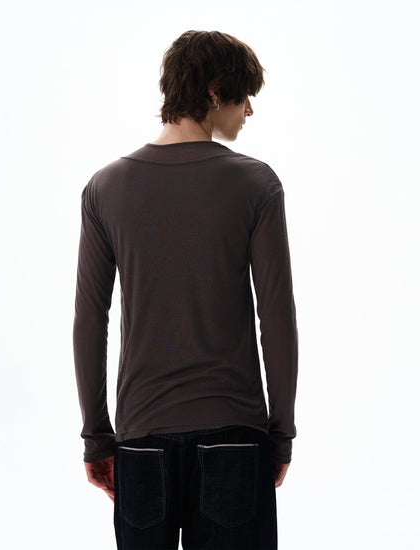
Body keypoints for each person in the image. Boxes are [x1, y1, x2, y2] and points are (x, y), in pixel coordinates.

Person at [72, 29, 299, 550]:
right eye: (245, 97)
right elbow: (276, 318)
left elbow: (90, 320)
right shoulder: (255, 184)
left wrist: (97, 438)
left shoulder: (105, 188)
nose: (249, 111)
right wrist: (280, 434)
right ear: (216, 91)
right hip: (235, 437)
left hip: (140, 441)